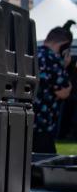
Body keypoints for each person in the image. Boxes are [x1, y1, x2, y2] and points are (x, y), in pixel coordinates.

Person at [34, 25, 73, 154]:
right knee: (45, 166)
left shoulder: (32, 53)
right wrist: (65, 66)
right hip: (43, 126)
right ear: (64, 45)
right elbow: (64, 92)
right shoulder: (53, 59)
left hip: (25, 122)